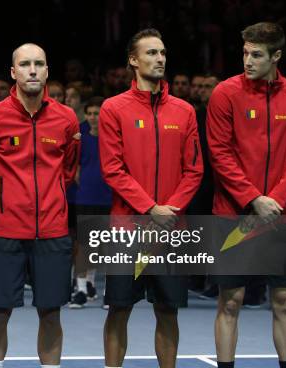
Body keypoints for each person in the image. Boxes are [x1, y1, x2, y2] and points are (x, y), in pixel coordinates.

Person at [207, 22, 286, 368]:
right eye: (245, 53)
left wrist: (277, 199)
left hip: (282, 217)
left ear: (276, 56)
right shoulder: (225, 93)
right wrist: (254, 198)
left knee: (285, 301)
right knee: (230, 301)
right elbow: (219, 153)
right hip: (233, 214)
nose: (248, 61)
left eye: (256, 55)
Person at [0, 43, 80, 368]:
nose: (33, 70)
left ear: (47, 71)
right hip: (6, 233)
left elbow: (68, 169)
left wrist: (52, 196)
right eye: (26, 64)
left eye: (39, 64)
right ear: (13, 72)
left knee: (50, 312)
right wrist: (4, 202)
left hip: (53, 232)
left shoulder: (66, 119)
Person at [99, 29, 203, 368]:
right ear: (133, 60)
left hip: (171, 228)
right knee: (119, 309)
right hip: (127, 229)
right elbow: (113, 169)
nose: (159, 59)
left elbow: (195, 169)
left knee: (167, 311)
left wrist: (168, 211)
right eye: (151, 53)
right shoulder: (114, 108)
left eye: (162, 53)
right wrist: (150, 208)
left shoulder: (185, 111)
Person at [69, 96, 111, 309]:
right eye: (91, 114)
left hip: (108, 198)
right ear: (85, 116)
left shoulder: (112, 140)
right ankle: (81, 290)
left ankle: (98, 287)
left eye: (99, 113)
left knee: (104, 246)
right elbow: (73, 167)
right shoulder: (80, 139)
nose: (95, 118)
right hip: (85, 197)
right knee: (84, 245)